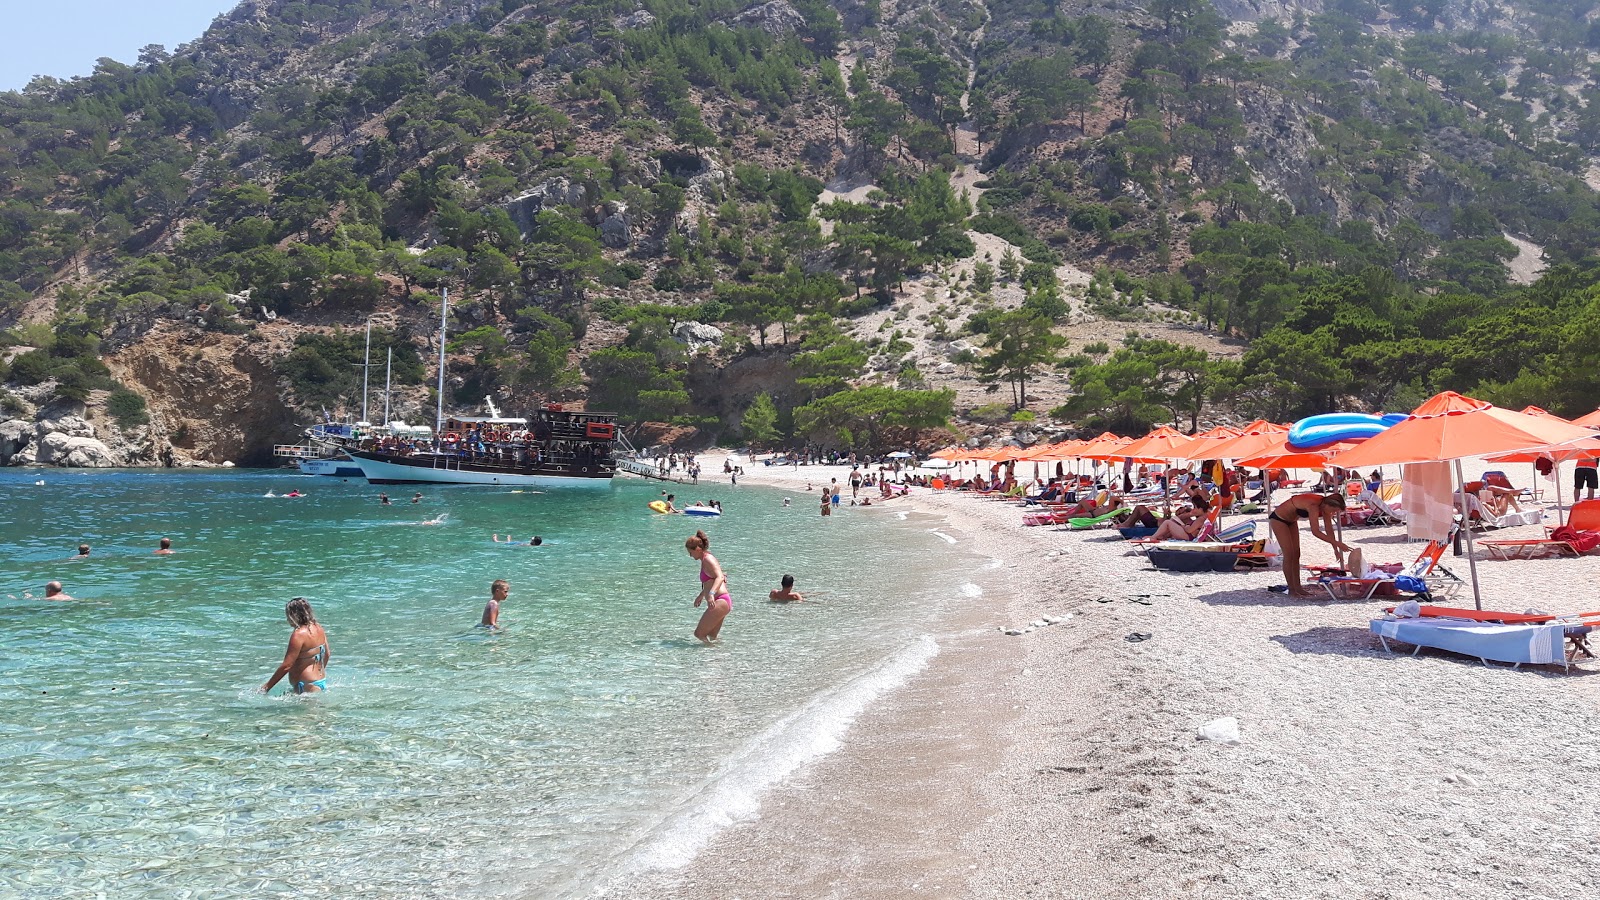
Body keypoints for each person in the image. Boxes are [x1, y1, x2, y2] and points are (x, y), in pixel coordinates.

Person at [1267, 492, 1352, 597]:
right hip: (1278, 519)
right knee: (1289, 554)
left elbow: (1329, 530)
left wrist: (1336, 549)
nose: (1334, 513)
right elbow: (1315, 531)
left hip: (1292, 521)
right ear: (1328, 505)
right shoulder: (1314, 506)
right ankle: (1292, 589)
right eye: (1334, 510)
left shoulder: (1324, 507)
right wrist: (1338, 544)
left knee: (1296, 554)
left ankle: (1298, 587)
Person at [261, 597, 331, 695]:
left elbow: (286, 666)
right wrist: (317, 672)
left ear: (293, 615)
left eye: (288, 615)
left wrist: (266, 687)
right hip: (319, 681)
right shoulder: (318, 627)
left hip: (306, 686)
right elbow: (327, 654)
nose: (287, 619)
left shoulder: (299, 634)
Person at [686, 530, 731, 643]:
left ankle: (710, 653)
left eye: (690, 552)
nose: (690, 555)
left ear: (697, 549)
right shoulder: (705, 559)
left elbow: (719, 577)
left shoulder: (708, 559)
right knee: (712, 637)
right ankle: (717, 656)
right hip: (721, 602)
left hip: (720, 601)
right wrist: (701, 595)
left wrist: (710, 594)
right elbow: (710, 581)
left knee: (699, 634)